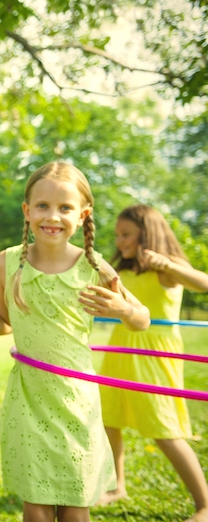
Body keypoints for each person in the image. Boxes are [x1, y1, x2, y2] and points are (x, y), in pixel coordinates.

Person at [0, 161, 150, 522]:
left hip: (76, 399)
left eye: (65, 208)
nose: (53, 216)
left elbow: (143, 319)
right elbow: (4, 322)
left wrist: (124, 308)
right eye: (43, 206)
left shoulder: (93, 266)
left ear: (82, 215)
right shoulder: (8, 262)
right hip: (29, 397)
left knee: (76, 504)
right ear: (27, 211)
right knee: (36, 505)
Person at [97, 204, 208, 521]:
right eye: (118, 234)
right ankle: (117, 485)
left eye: (126, 234)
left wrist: (168, 263)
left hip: (155, 354)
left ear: (148, 233)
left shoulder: (167, 269)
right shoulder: (125, 272)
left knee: (164, 430)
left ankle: (204, 504)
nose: (119, 241)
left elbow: (204, 283)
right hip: (120, 347)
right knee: (110, 419)